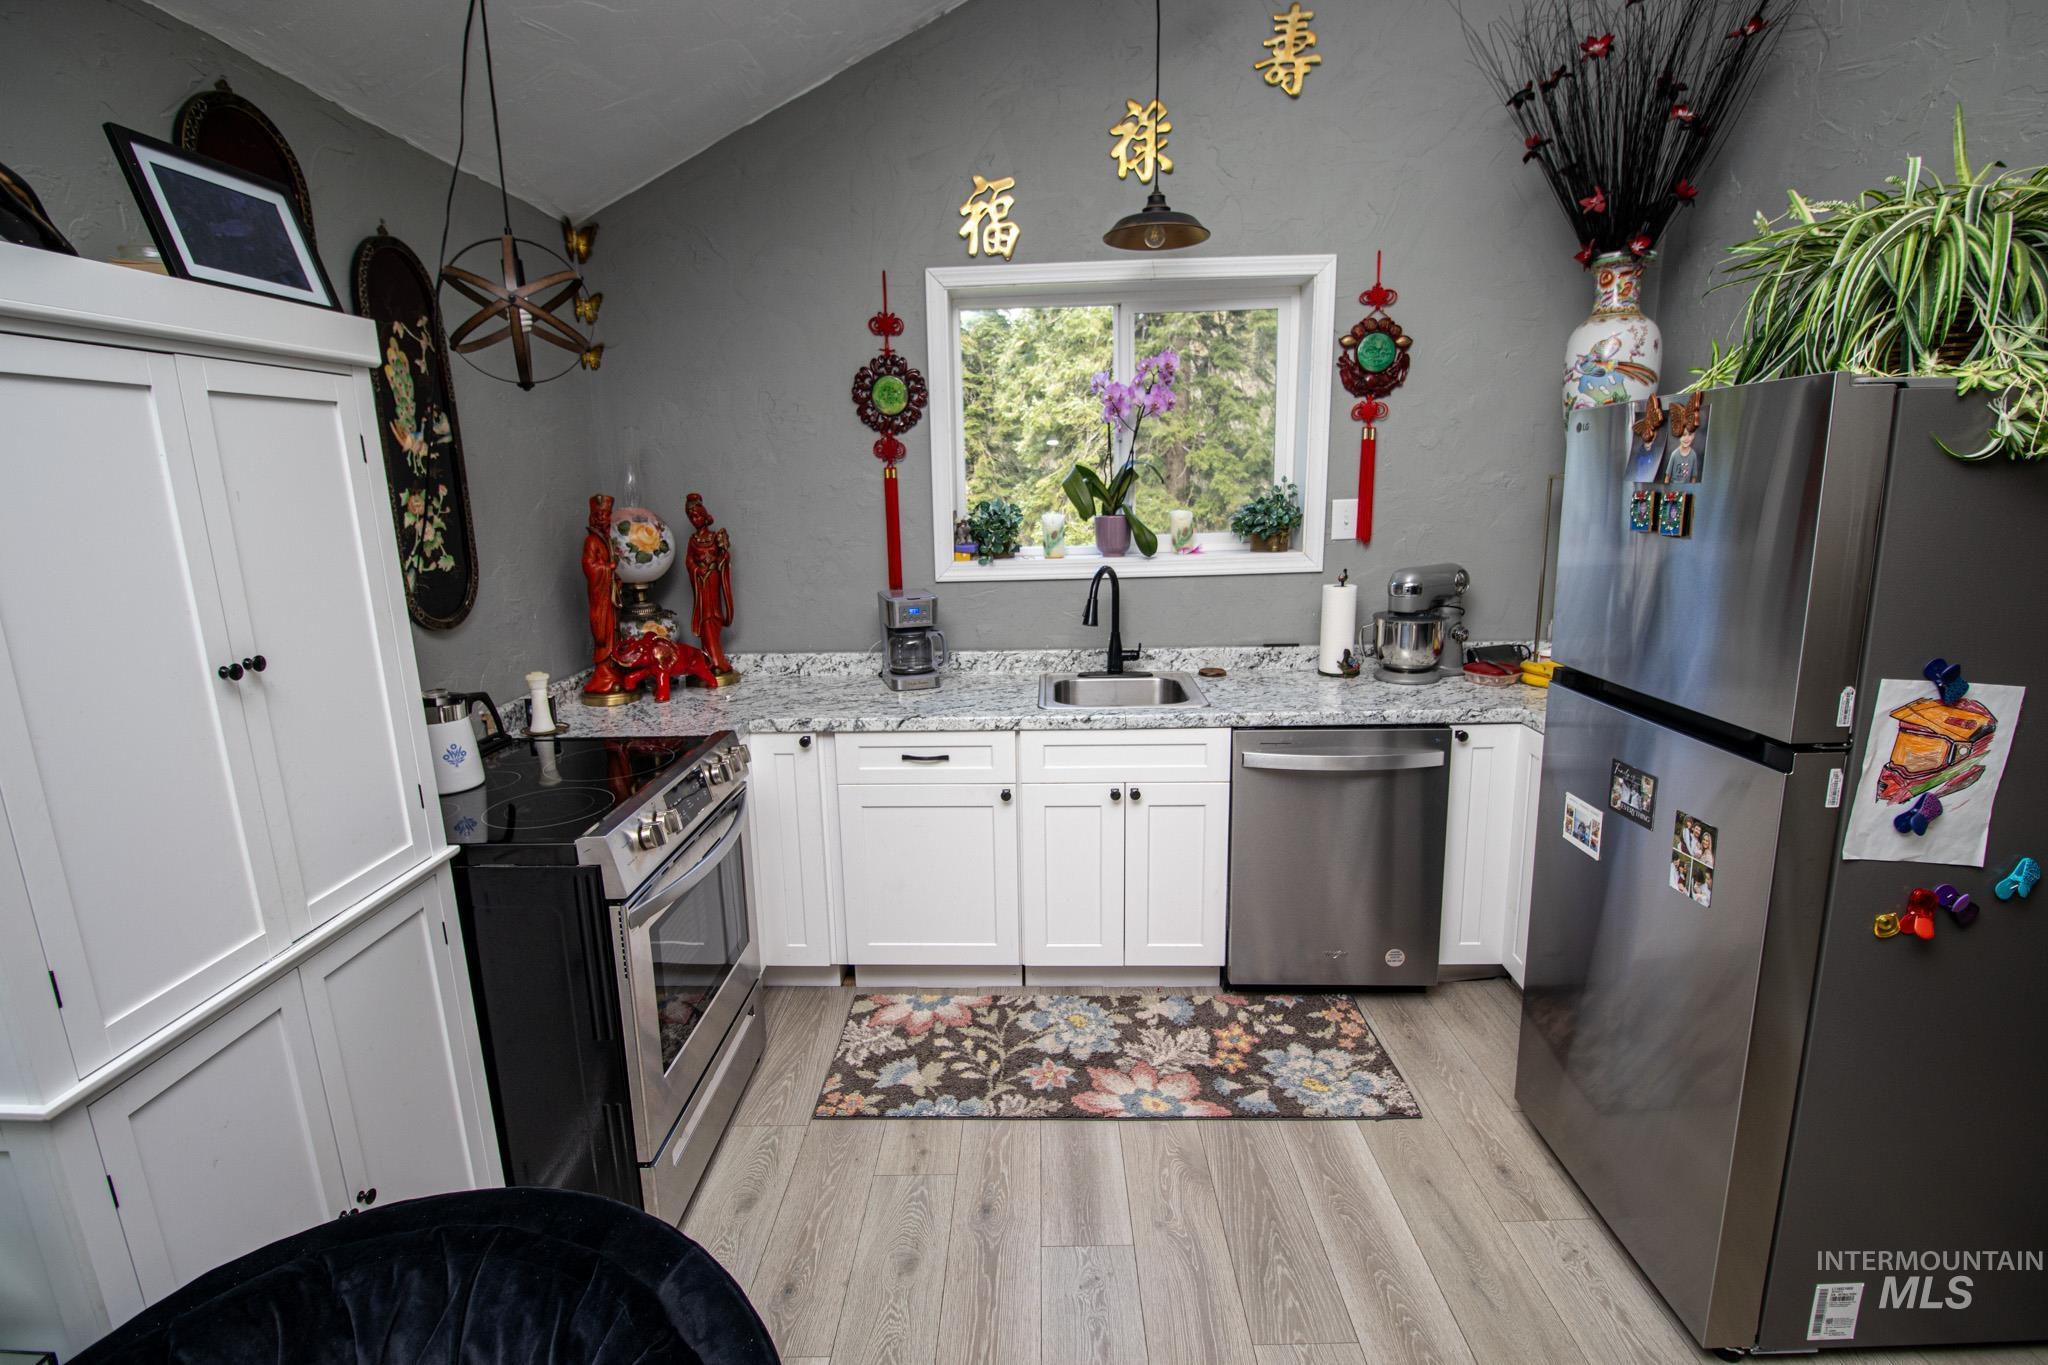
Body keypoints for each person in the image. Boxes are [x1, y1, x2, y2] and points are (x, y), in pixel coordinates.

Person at [683, 493, 736, 678]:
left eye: (697, 515)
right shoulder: (692, 541)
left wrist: (723, 556)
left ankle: (717, 658)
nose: (695, 519)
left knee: (714, 617)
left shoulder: (714, 536)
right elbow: (688, 561)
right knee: (705, 618)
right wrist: (697, 570)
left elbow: (724, 559)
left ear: (705, 515)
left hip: (713, 580)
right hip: (701, 583)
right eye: (692, 517)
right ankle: (711, 660)